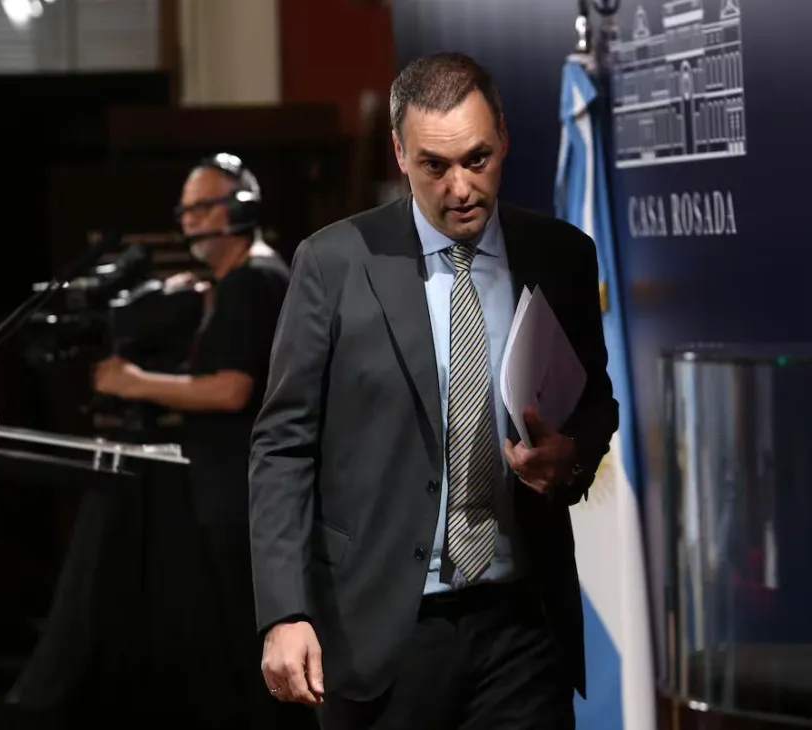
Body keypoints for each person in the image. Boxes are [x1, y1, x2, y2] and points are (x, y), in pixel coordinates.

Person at [249, 51, 619, 730]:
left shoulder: (562, 255)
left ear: (503, 137)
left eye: (477, 159)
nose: (460, 188)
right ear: (399, 153)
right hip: (377, 629)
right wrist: (284, 611)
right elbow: (281, 447)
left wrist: (568, 458)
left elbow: (597, 403)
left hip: (523, 625)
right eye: (434, 166)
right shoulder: (333, 264)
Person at [93, 153, 313, 730]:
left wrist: (132, 381)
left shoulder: (253, 279)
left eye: (202, 207)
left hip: (242, 496)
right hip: (235, 493)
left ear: (240, 209)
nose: (188, 220)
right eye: (184, 210)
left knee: (250, 648)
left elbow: (231, 389)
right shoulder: (241, 280)